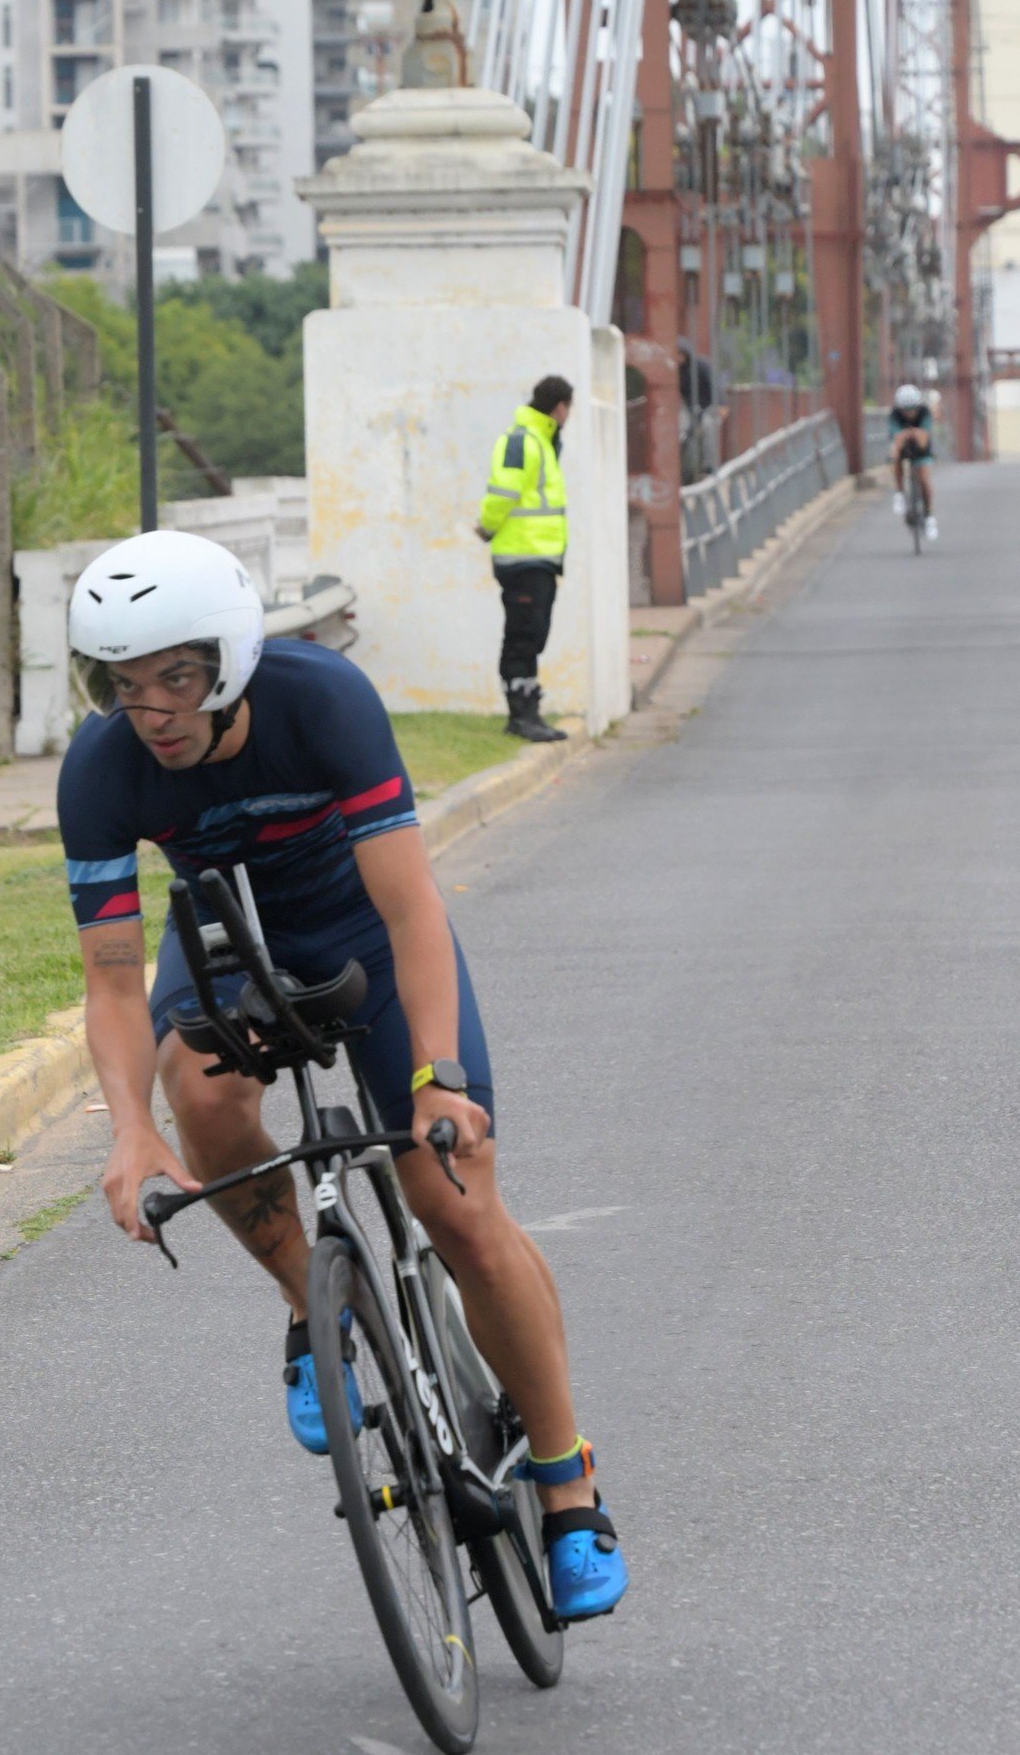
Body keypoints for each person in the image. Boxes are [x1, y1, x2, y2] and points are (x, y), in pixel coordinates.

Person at [59, 528, 627, 1623]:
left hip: (362, 927)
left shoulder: (324, 701)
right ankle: (313, 1308)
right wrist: (129, 1130)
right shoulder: (101, 767)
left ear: (227, 659)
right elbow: (114, 982)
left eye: (176, 677)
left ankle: (567, 1488)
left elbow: (413, 907)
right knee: (206, 1099)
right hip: (229, 933)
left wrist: (434, 1078)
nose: (154, 711)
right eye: (125, 686)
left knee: (453, 1197)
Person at [478, 375, 572, 745]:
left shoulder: (542, 441)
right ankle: (520, 715)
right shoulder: (523, 441)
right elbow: (503, 491)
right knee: (521, 636)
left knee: (533, 635)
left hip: (539, 557)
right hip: (522, 557)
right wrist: (487, 527)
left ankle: (529, 709)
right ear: (560, 407)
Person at [888, 381, 937, 540]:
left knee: (924, 479)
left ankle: (929, 516)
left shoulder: (924, 413)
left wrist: (909, 433)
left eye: (912, 409)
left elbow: (923, 439)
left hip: (921, 448)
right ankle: (899, 493)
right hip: (903, 446)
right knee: (895, 457)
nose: (910, 413)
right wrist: (908, 435)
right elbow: (896, 441)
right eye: (906, 410)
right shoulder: (895, 415)